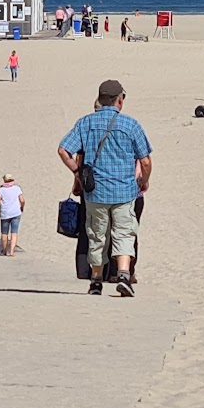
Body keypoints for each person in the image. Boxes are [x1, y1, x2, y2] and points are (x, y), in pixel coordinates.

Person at [58, 79, 153, 297]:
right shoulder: (130, 125)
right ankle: (122, 275)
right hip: (124, 191)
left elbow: (63, 150)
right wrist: (144, 181)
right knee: (124, 233)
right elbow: (145, 161)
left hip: (96, 191)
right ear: (119, 100)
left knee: (97, 234)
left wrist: (77, 172)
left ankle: (96, 280)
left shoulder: (85, 123)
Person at [0, 173, 24, 257]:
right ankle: (12, 251)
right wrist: (22, 207)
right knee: (14, 232)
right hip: (15, 212)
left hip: (5, 213)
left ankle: (5, 250)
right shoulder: (17, 188)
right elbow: (22, 200)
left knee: (4, 233)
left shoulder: (1, 190)